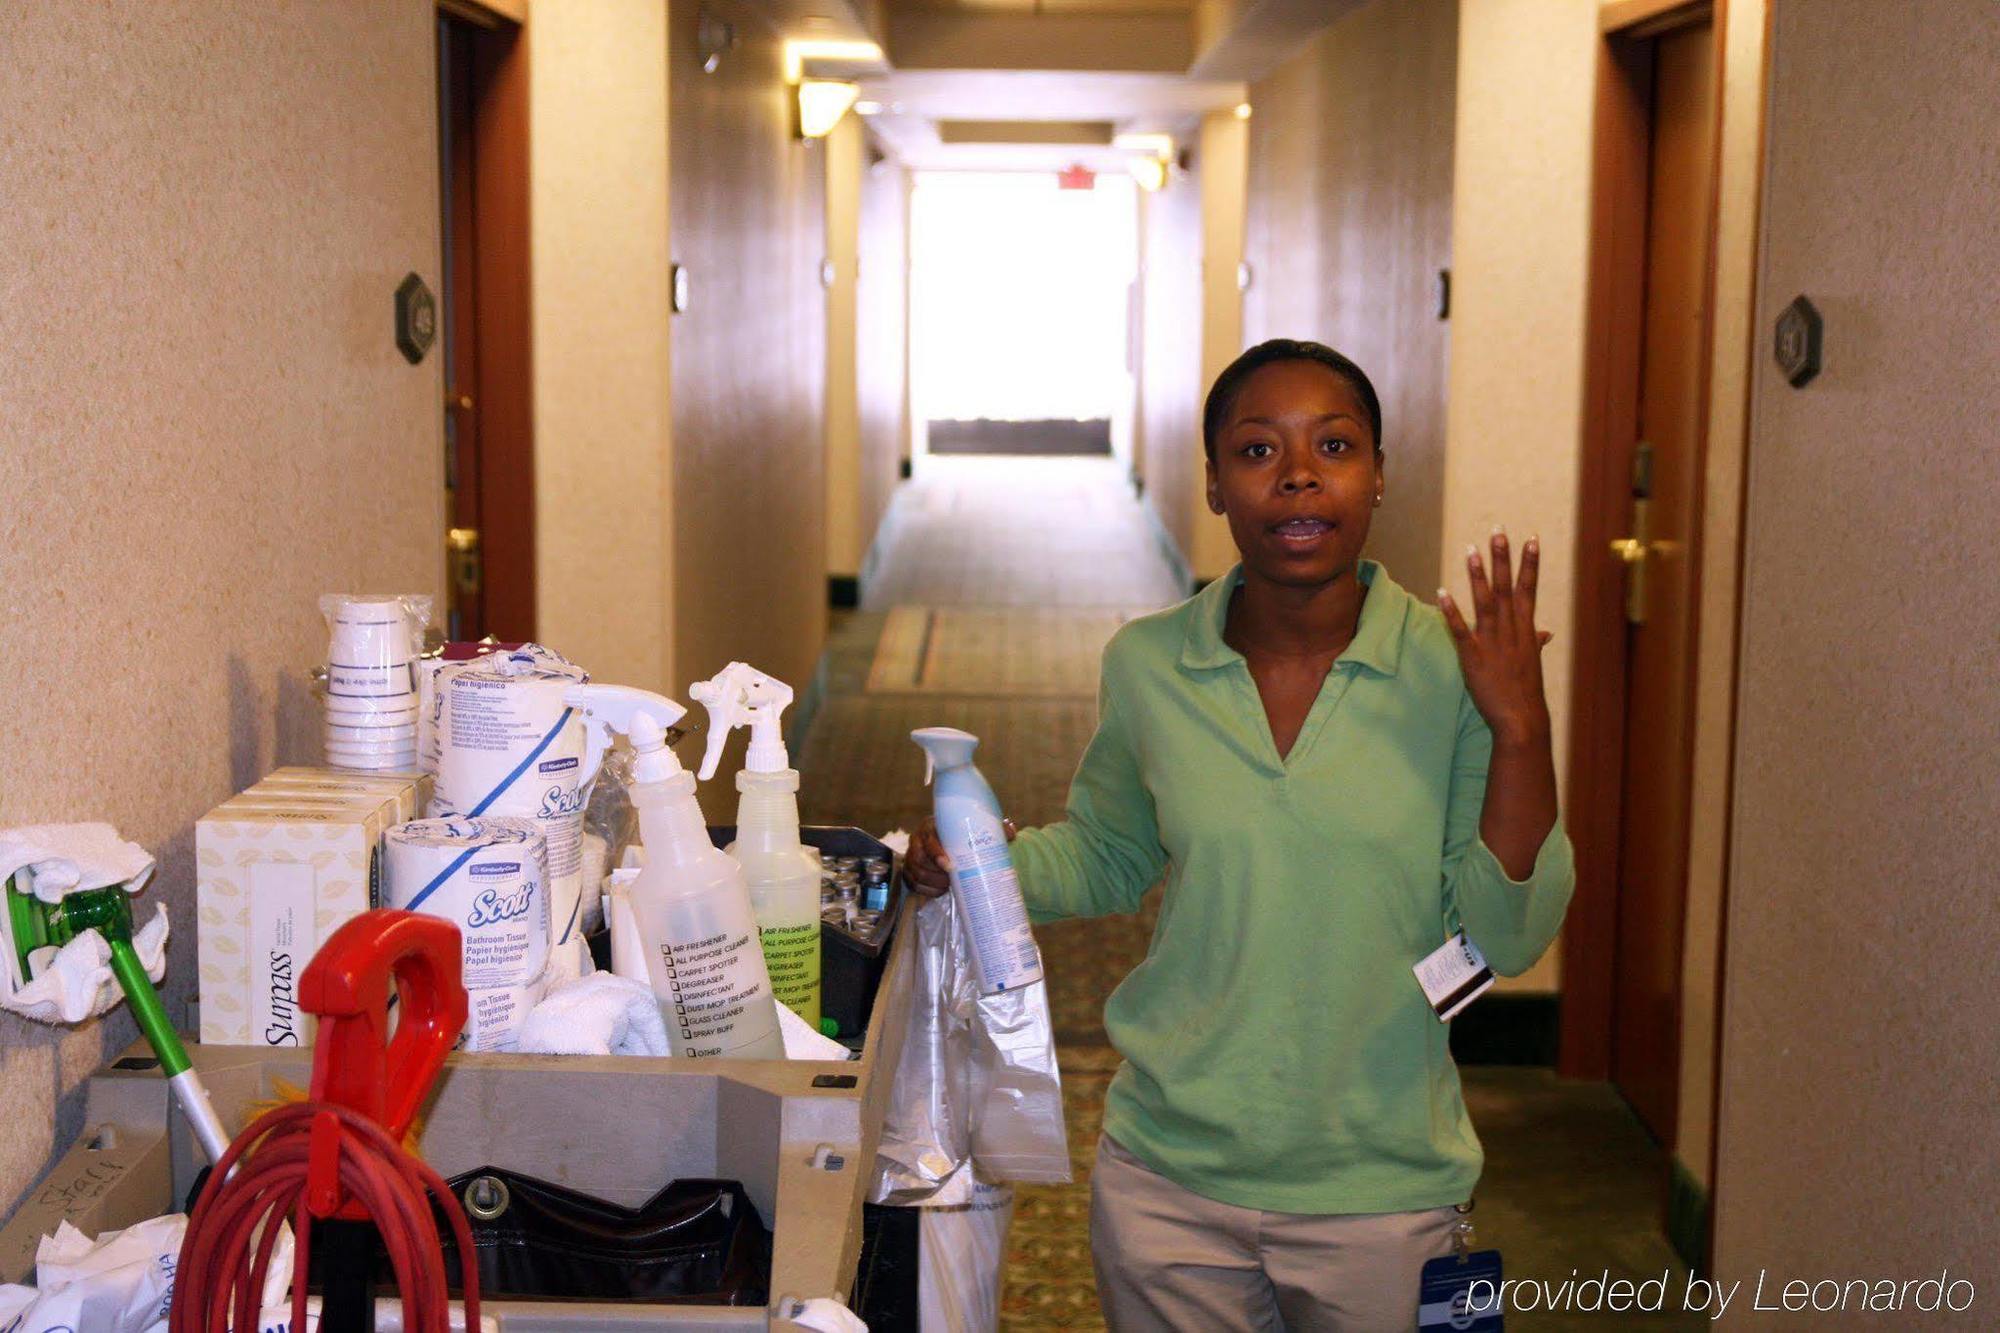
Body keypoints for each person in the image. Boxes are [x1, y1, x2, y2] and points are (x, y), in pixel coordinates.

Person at [903, 339, 1576, 1331]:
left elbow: (1504, 936)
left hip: (1389, 1187)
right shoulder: (1147, 663)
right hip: (1167, 1178)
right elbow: (1107, 852)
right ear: (1214, 485)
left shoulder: (1452, 669)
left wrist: (1520, 728)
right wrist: (975, 864)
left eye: (1335, 444)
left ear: (1378, 474)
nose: (1299, 474)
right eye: (1257, 451)